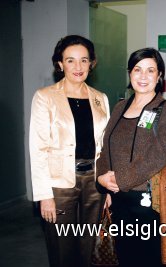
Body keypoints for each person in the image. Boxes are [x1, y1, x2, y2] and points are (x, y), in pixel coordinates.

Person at [96, 47, 166, 267]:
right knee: (125, 257)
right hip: (118, 198)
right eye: (137, 69)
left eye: (150, 70)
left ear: (159, 75)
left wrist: (119, 180)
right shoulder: (119, 107)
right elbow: (105, 147)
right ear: (130, 73)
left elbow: (159, 156)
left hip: (148, 201)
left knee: (148, 259)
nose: (143, 76)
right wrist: (102, 178)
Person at [29, 35, 110, 267]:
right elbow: (38, 148)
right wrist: (44, 195)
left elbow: (104, 146)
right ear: (60, 63)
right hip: (59, 185)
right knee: (62, 248)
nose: (78, 66)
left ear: (91, 64)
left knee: (89, 246)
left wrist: (106, 189)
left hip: (94, 183)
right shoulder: (45, 97)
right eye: (71, 60)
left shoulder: (99, 98)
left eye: (84, 60)